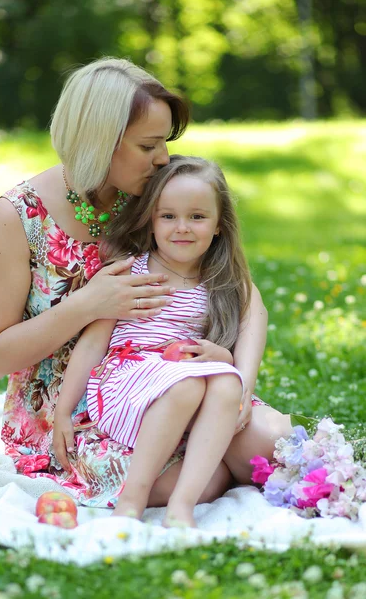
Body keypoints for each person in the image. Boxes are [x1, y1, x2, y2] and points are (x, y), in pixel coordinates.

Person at [0, 56, 291, 511]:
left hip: (170, 376)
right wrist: (87, 305)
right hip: (76, 406)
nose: (162, 158)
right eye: (149, 146)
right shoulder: (19, 217)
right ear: (99, 141)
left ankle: (220, 458)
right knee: (193, 482)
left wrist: (240, 376)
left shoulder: (154, 198)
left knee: (272, 441)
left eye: (164, 143)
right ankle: (203, 473)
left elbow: (240, 289)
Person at [53, 155, 291, 527]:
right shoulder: (131, 274)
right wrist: (63, 413)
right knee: (187, 384)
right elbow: (92, 344)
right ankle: (132, 497)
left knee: (229, 383)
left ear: (218, 226)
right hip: (129, 381)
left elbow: (245, 368)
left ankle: (183, 505)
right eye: (168, 216)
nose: (182, 228)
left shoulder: (229, 286)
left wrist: (222, 357)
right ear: (151, 220)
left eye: (197, 217)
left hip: (193, 378)